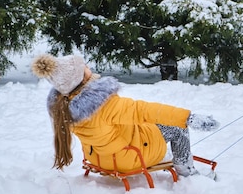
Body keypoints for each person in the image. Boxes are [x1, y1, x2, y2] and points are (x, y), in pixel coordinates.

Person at [31, 53, 220, 176]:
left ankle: (166, 152)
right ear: (81, 77)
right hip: (127, 159)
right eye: (84, 67)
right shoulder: (104, 105)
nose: (88, 66)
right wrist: (187, 118)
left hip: (99, 157)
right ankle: (187, 172)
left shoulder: (64, 106)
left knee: (147, 127)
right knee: (178, 130)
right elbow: (145, 111)